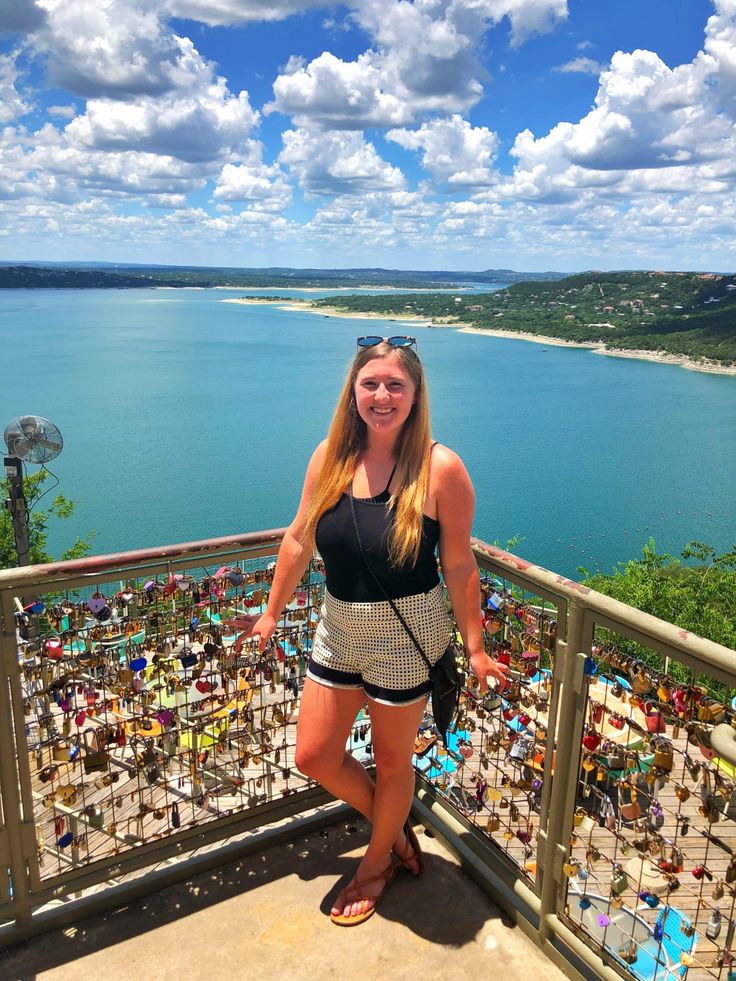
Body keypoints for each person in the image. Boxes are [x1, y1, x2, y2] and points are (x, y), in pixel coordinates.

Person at [236, 335, 509, 925]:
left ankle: (375, 863)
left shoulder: (440, 468)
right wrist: (270, 612)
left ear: (415, 395)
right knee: (313, 754)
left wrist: (477, 648)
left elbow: (459, 564)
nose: (381, 396)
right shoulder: (329, 456)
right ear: (352, 391)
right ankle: (396, 833)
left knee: (391, 764)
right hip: (339, 626)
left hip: (405, 635)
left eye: (395, 385)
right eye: (370, 384)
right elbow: (297, 539)